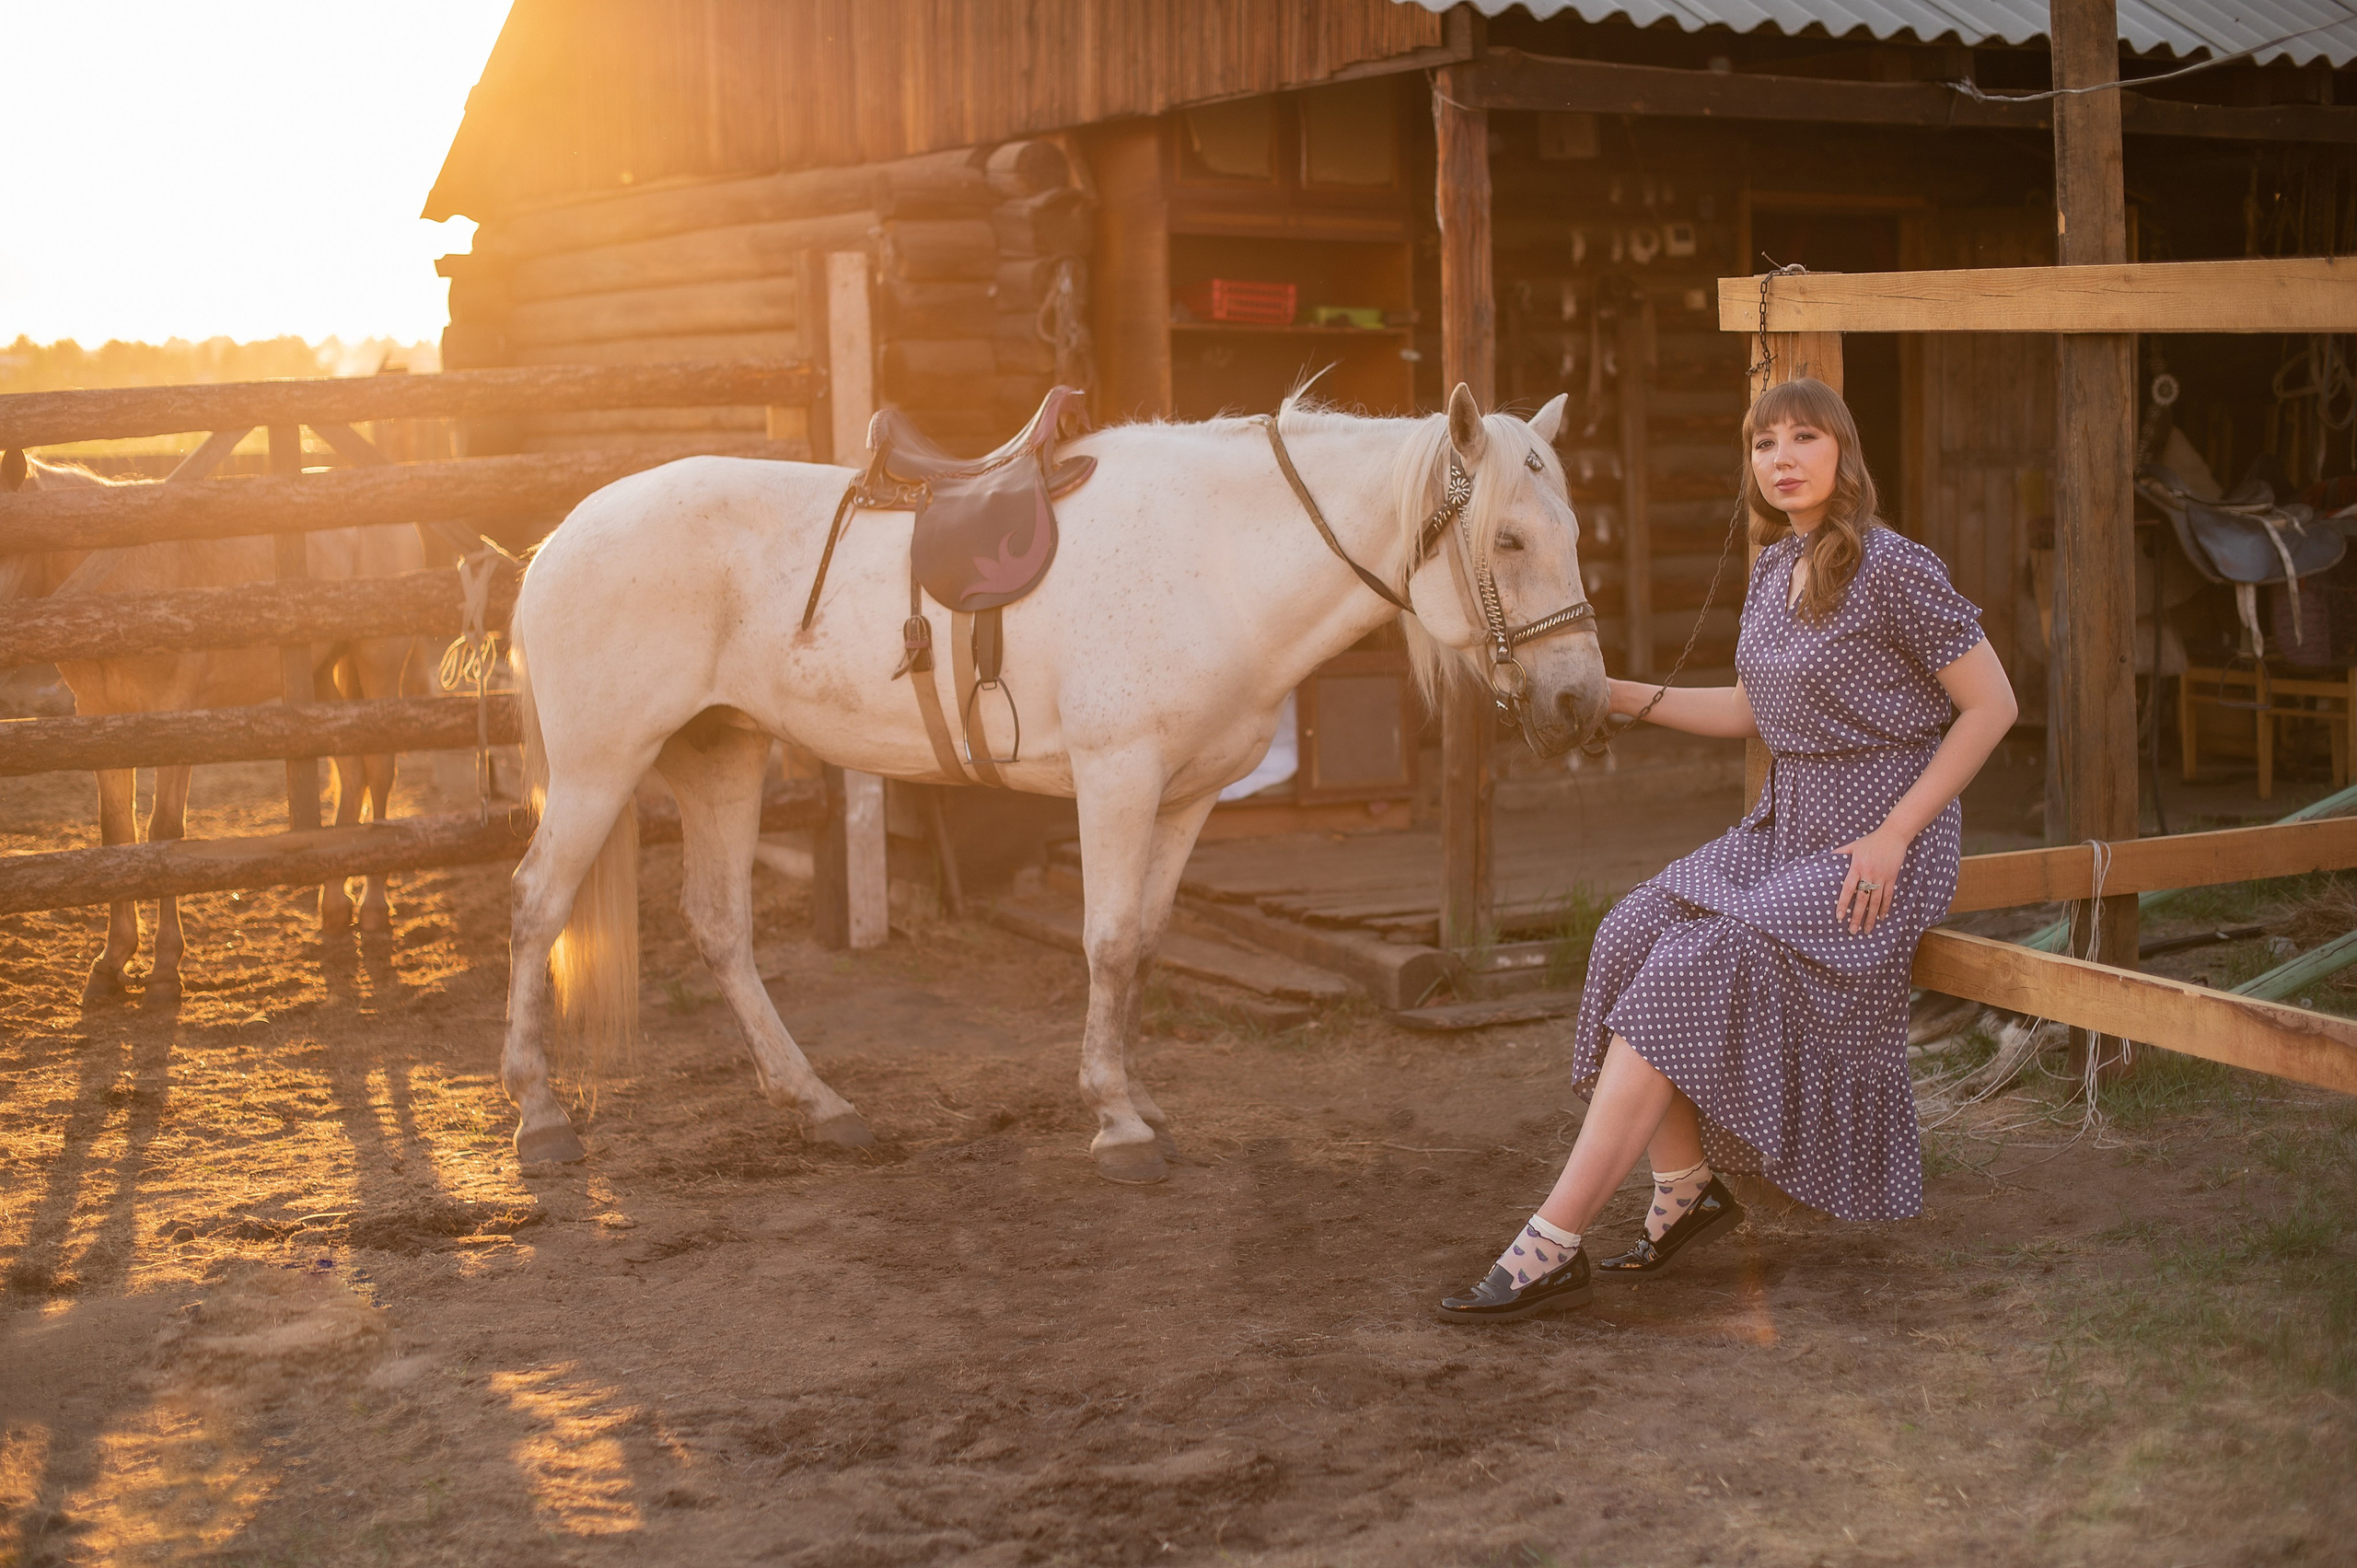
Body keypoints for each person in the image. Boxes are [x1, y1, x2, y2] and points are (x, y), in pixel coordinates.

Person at [1436, 376, 2018, 1325]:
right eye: (1763, 443)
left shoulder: (1895, 567)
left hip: (1880, 838)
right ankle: (1683, 1187)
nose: (1781, 458)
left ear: (1842, 452)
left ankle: (1551, 1239)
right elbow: (1755, 712)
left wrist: (1893, 835)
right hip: (1786, 826)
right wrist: (1617, 693)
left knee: (1693, 965)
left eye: (1803, 438)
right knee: (1633, 931)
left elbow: (1992, 705)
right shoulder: (1770, 567)